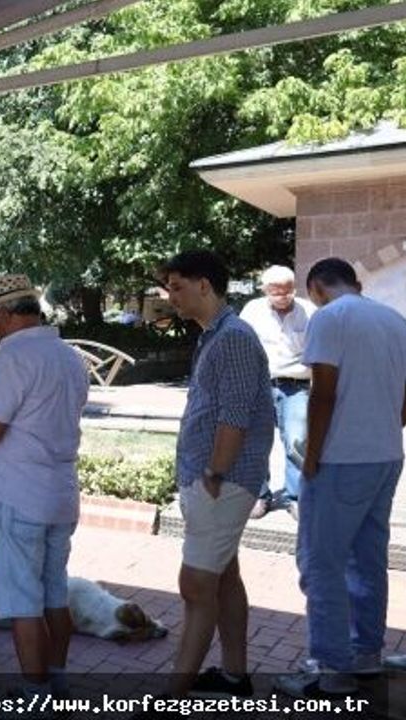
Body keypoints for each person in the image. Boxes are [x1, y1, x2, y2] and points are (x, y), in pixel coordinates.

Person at [276, 258, 406, 699]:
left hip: (340, 461)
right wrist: (386, 427)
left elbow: (323, 392)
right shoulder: (394, 320)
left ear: (315, 287)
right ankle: (366, 653)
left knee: (321, 563)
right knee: (368, 558)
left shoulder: (329, 318)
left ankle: (328, 666)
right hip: (386, 455)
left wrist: (311, 457)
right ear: (356, 282)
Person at [0, 274, 89, 695]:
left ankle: (36, 695)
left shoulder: (13, 359)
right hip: (61, 494)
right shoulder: (69, 356)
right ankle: (57, 678)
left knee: (22, 605)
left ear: (9, 313)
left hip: (18, 495)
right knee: (55, 593)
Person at [160, 250, 273, 699]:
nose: (170, 296)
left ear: (204, 284)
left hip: (222, 482)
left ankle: (171, 697)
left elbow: (236, 417)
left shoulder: (234, 337)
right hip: (215, 480)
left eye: (177, 286)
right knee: (224, 577)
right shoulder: (216, 334)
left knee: (195, 584)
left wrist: (213, 473)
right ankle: (233, 676)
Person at [239, 265, 316, 520]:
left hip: (296, 384)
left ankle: (296, 497)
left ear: (294, 288)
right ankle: (259, 495)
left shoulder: (309, 311)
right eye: (276, 292)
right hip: (259, 383)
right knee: (254, 441)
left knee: (297, 440)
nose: (282, 297)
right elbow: (241, 345)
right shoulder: (252, 311)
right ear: (265, 290)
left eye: (287, 291)